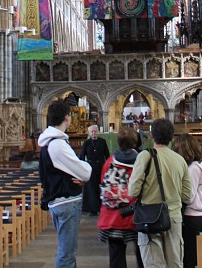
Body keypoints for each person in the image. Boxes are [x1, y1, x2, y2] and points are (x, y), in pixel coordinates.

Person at [128, 118, 192, 268]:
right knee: (175, 263)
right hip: (174, 218)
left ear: (151, 135)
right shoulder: (180, 160)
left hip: (150, 218)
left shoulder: (144, 156)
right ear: (172, 137)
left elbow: (133, 191)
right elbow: (187, 196)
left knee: (153, 264)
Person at [39, 101, 93, 268]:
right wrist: (84, 171)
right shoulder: (57, 144)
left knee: (68, 252)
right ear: (67, 118)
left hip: (58, 201)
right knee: (66, 255)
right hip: (66, 202)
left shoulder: (48, 142)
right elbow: (85, 172)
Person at [98, 126, 144, 268]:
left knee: (116, 257)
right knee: (143, 256)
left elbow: (102, 184)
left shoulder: (110, 162)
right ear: (135, 143)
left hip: (114, 217)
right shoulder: (141, 162)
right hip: (136, 216)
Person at [170, 135, 202, 268]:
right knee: (190, 254)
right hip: (197, 214)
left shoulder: (193, 169)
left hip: (191, 215)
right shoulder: (201, 164)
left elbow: (188, 196)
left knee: (188, 257)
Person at [82, 124, 110, 215]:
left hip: (101, 166)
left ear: (97, 132)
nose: (94, 133)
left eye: (95, 131)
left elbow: (107, 155)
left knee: (102, 186)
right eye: (92, 132)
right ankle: (93, 209)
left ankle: (103, 207)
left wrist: (108, 166)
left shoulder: (102, 141)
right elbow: (82, 157)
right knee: (91, 187)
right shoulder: (86, 143)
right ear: (89, 133)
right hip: (90, 167)